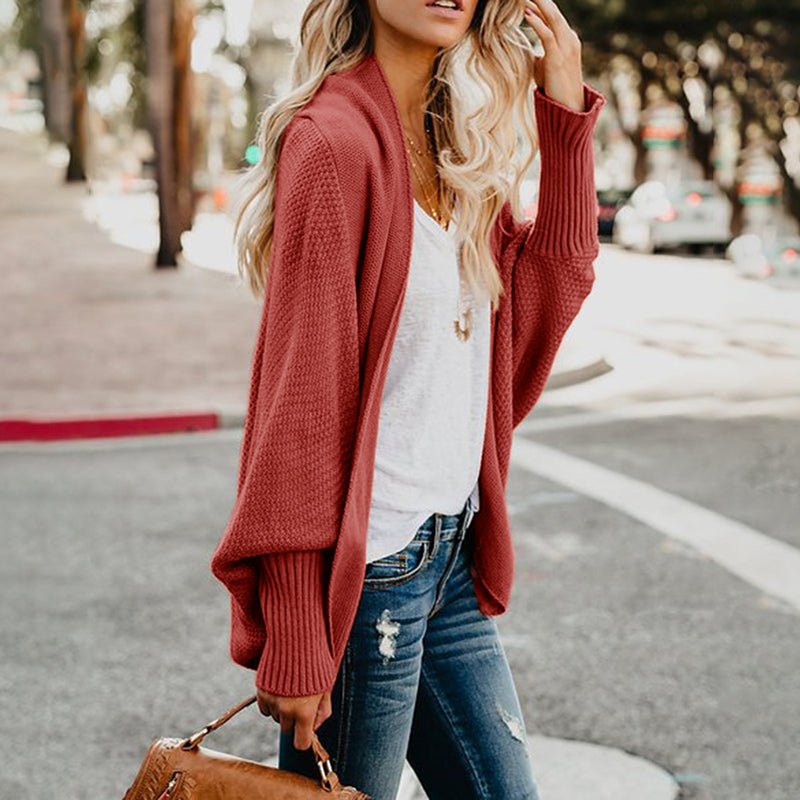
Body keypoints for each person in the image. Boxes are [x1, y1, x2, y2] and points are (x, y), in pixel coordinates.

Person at [210, 0, 606, 797]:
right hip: (370, 583)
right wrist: (296, 624)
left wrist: (564, 118)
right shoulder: (332, 142)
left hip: (451, 552)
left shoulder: (461, 144)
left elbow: (545, 302)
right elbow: (301, 401)